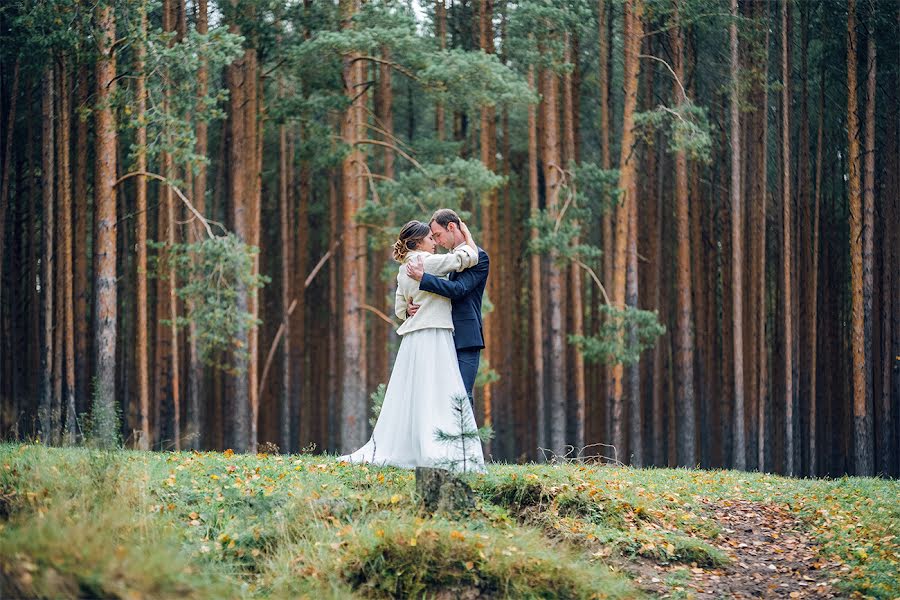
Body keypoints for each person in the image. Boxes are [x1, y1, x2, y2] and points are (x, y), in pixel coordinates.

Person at [339, 220, 486, 473]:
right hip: (434, 334)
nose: (435, 243)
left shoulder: (402, 268)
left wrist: (408, 308)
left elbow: (398, 308)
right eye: (431, 238)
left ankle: (412, 446)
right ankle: (438, 450)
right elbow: (466, 258)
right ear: (418, 242)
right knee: (437, 393)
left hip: (413, 339)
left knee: (414, 392)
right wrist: (468, 237)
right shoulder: (424, 262)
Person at [406, 209, 489, 410]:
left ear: (451, 227)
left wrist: (423, 278)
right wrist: (409, 307)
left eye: (438, 235)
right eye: (432, 237)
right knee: (438, 397)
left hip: (465, 339)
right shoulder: (449, 260)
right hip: (440, 336)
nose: (436, 242)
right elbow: (436, 294)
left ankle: (463, 442)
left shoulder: (479, 257)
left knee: (461, 397)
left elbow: (458, 290)